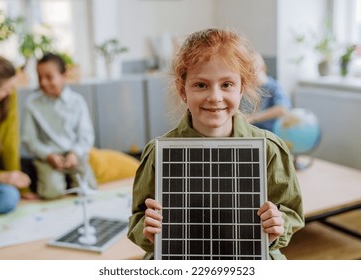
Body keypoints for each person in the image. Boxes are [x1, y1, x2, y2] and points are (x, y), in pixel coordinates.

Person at [127, 28, 304, 260]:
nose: (214, 97)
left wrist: (277, 225)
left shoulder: (269, 148)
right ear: (183, 89)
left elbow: (291, 212)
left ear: (242, 87)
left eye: (227, 84)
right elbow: (138, 218)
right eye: (201, 85)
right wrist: (147, 231)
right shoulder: (158, 152)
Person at [22, 53, 97, 199]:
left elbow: (86, 135)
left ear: (64, 76)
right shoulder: (32, 104)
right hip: (49, 157)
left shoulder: (77, 101)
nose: (43, 82)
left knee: (90, 190)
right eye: (39, 77)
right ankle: (60, 181)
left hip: (74, 155)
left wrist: (75, 153)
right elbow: (29, 140)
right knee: (51, 193)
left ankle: (70, 180)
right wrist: (48, 155)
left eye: (49, 77)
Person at [0, 55, 31, 214]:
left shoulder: (9, 96)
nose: (9, 93)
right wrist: (1, 177)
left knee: (9, 196)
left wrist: (20, 187)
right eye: (4, 89)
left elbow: (10, 143)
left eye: (11, 87)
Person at [245, 53, 291, 132]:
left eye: (253, 69)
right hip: (251, 131)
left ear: (262, 68)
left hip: (270, 132)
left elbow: (283, 109)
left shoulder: (274, 87)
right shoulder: (248, 88)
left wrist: (253, 117)